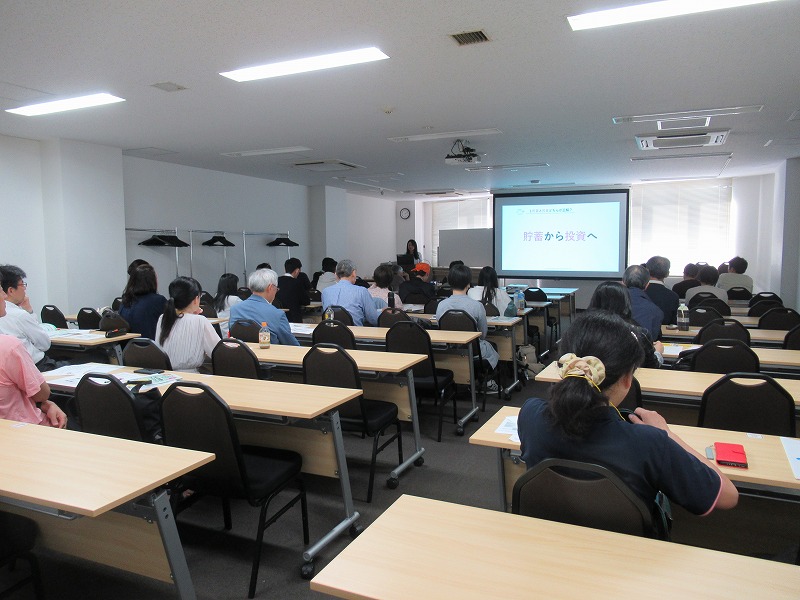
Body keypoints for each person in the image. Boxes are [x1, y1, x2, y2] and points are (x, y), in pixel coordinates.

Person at [518, 310, 738, 516]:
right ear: (627, 379)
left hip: (549, 538)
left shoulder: (530, 416)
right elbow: (728, 496)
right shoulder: (651, 443)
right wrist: (666, 434)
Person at [0, 286, 66, 427]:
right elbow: (42, 394)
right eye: (0, 291)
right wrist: (45, 402)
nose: (5, 296)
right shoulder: (9, 346)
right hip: (25, 429)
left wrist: (44, 404)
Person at [435, 264, 500, 389]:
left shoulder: (441, 305)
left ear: (450, 283)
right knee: (490, 346)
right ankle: (486, 381)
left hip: (450, 349)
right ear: (468, 284)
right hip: (474, 350)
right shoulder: (477, 306)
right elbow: (483, 334)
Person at [588, 281, 663, 368]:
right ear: (626, 302)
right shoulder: (637, 333)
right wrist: (658, 352)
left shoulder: (581, 329)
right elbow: (652, 365)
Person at [155, 276, 221, 372]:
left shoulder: (163, 318)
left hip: (166, 375)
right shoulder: (200, 321)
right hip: (191, 377)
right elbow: (218, 353)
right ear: (196, 299)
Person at [0, 265, 55, 371]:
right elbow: (45, 344)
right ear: (11, 290)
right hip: (37, 367)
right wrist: (29, 312)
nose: (24, 289)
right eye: (22, 285)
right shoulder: (19, 315)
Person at [230, 268, 299, 345]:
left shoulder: (234, 309)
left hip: (242, 352)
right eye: (276, 289)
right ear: (270, 287)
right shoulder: (277, 314)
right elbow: (291, 344)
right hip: (270, 352)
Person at [321, 259, 379, 326]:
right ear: (353, 273)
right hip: (355, 332)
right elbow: (373, 319)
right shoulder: (361, 291)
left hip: (331, 331)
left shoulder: (325, 292)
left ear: (336, 275)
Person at [118, 264, 167, 340]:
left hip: (129, 346)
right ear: (152, 281)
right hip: (152, 345)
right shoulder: (158, 300)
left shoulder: (125, 301)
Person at [622, 265, 663, 341]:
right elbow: (652, 341)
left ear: (623, 283)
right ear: (647, 285)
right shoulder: (655, 311)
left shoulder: (608, 305)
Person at [644, 256, 680, 325]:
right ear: (667, 274)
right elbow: (673, 324)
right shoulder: (673, 297)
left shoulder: (639, 292)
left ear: (647, 271)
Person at [276, 257, 311, 323]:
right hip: (294, 319)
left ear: (285, 269)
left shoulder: (276, 281)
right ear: (297, 270)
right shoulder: (297, 283)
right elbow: (306, 301)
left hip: (278, 318)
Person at [212, 272, 242, 337]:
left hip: (219, 332)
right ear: (232, 286)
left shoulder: (217, 296)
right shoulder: (235, 299)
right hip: (230, 333)